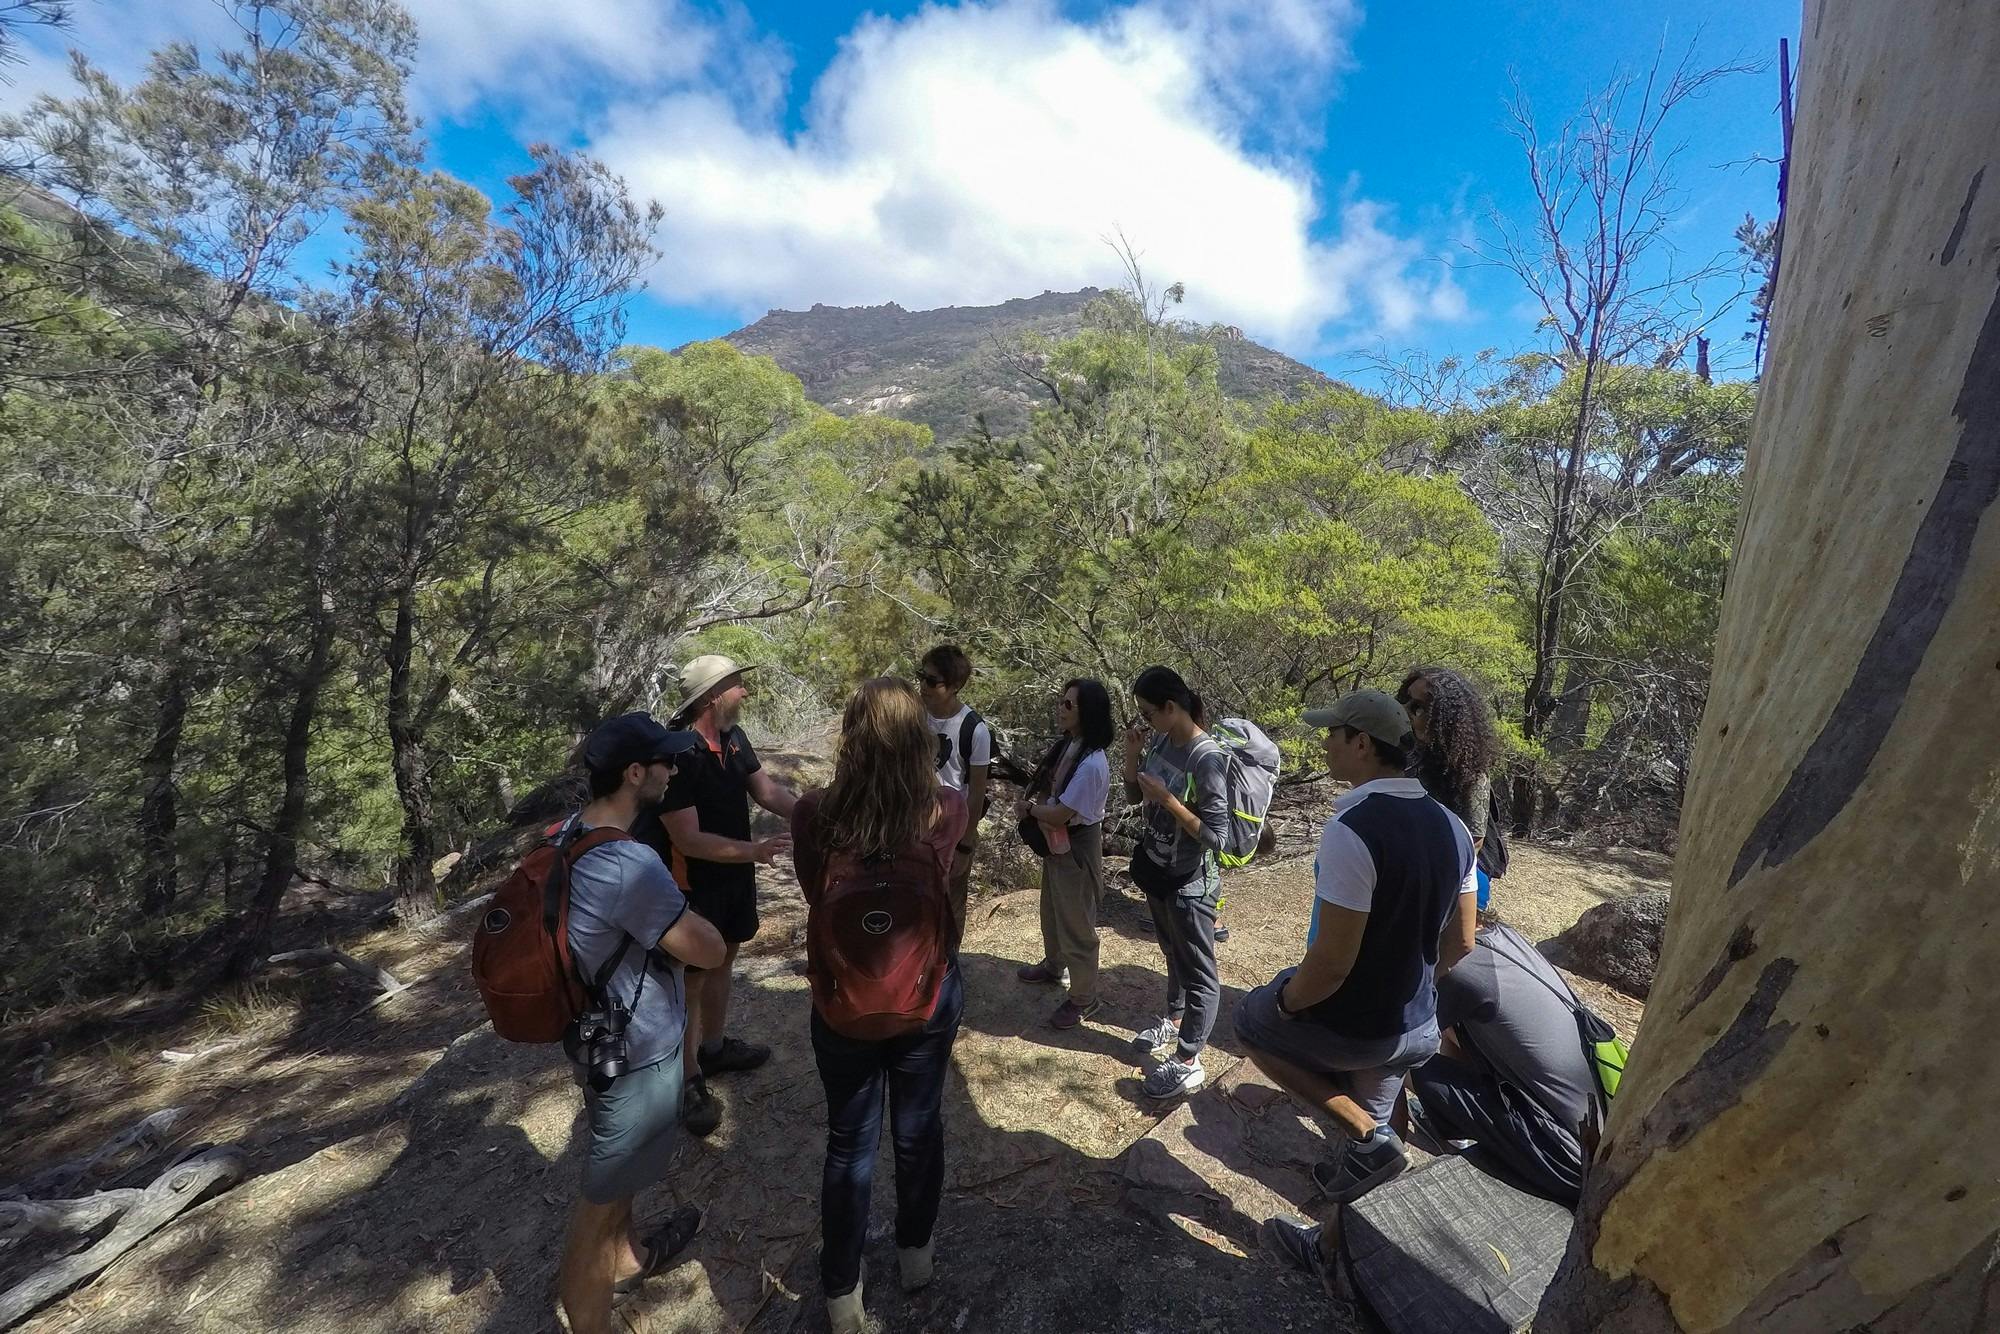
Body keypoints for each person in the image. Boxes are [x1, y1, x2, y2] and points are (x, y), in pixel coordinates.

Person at [1236, 689, 1478, 1284]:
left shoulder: (1352, 824)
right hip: (1416, 1024)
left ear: (1362, 744)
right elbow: (1463, 941)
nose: (1325, 742)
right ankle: (1329, 1245)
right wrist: (1413, 985)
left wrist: (1288, 1001)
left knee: (1249, 1021)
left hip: (1358, 1026)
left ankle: (1371, 1135)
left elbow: (1333, 963)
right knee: (1372, 1154)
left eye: (1333, 733)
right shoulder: (1455, 827)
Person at [789, 678, 970, 1334]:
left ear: (850, 739)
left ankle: (842, 1295)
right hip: (925, 997)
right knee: (918, 1131)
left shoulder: (814, 813)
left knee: (849, 1142)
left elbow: (817, 894)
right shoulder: (947, 809)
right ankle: (916, 1256)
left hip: (843, 1001)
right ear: (920, 741)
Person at [558, 712, 728, 1334]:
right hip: (634, 1051)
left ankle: (630, 1257)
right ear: (635, 774)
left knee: (621, 1184)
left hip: (599, 1037)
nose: (673, 768)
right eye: (662, 761)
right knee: (595, 1216)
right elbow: (705, 949)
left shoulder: (570, 836)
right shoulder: (629, 864)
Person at [638, 654, 799, 1137]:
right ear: (712, 696)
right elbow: (686, 839)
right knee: (689, 979)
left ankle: (714, 1048)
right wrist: (755, 850)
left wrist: (816, 816)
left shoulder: (733, 740)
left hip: (732, 876)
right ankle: (688, 1079)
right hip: (690, 885)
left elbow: (767, 792)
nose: (744, 693)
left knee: (725, 960)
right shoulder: (678, 755)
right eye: (736, 685)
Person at [1406, 922, 1594, 1205]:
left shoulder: (1457, 968)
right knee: (1453, 1027)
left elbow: (1394, 1040)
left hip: (1561, 1157)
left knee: (1398, 1056)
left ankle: (1374, 1154)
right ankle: (1452, 1124)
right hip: (1589, 1144)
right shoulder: (1503, 938)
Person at [1123, 665, 1231, 1100]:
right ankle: (1174, 1017)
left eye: (1149, 714)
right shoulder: (1163, 740)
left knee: (1200, 972)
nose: (1145, 722)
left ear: (1172, 707)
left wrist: (1169, 801)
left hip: (1191, 882)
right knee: (1171, 951)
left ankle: (1189, 1059)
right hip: (1157, 869)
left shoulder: (1207, 758)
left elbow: (1216, 836)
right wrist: (1132, 756)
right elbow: (1135, 799)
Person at [1014, 678, 1115, 1029]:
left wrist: (1029, 809)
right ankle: (1054, 966)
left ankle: (1084, 999)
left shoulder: (1091, 764)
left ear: (1087, 712)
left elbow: (1059, 814)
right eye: (1061, 701)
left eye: (1068, 704)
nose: (1060, 707)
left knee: (1077, 926)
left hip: (1074, 844)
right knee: (1053, 911)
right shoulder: (1070, 746)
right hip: (1058, 841)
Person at [1398, 666, 1500, 911]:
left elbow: (1473, 841)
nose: (1407, 712)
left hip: (1456, 872)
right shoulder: (1402, 752)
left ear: (1445, 717)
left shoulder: (1471, 772)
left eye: (1418, 707)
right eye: (1404, 701)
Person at [917, 643, 992, 936]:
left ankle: (948, 968)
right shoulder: (914, 715)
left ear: (955, 686)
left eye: (932, 681)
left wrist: (965, 844)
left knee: (951, 901)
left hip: (952, 827)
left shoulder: (975, 729)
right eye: (921, 676)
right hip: (913, 822)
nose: (923, 686)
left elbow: (976, 791)